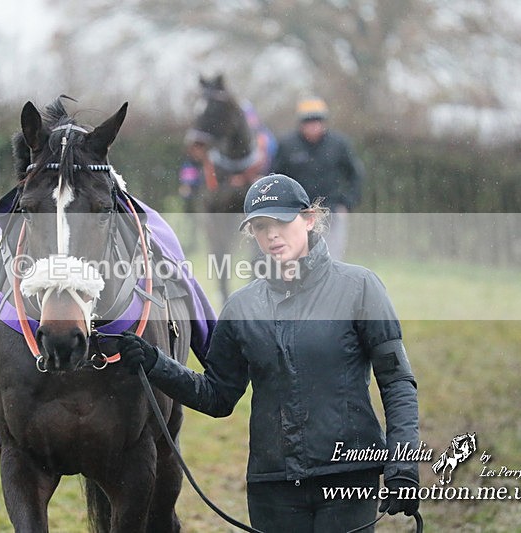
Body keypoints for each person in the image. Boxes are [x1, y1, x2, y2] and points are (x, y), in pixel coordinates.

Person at [117, 174, 419, 533]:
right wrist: (156, 364)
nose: (271, 234)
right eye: (261, 226)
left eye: (281, 221)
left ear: (308, 219)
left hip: (348, 477)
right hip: (272, 486)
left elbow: (397, 382)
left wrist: (403, 468)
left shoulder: (360, 287)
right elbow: (218, 396)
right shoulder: (242, 307)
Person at [270, 97, 365, 260]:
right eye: (308, 121)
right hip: (296, 215)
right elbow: (275, 178)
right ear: (300, 123)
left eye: (317, 120)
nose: (313, 125)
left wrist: (347, 203)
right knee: (296, 260)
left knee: (330, 260)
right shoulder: (287, 145)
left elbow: (356, 175)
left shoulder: (339, 144)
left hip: (330, 213)